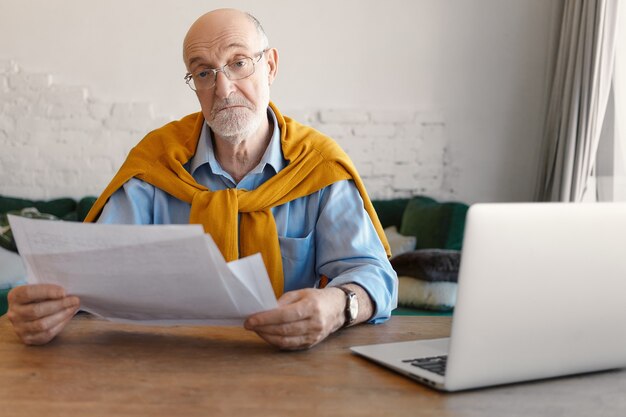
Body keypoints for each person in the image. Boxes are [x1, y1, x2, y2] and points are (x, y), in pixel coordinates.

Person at [6, 8, 398, 350]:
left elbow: (372, 273)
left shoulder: (318, 167)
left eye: (239, 63)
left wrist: (339, 306)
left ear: (271, 66)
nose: (223, 89)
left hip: (287, 361)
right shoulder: (155, 165)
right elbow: (91, 275)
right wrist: (42, 308)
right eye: (204, 72)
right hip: (167, 362)